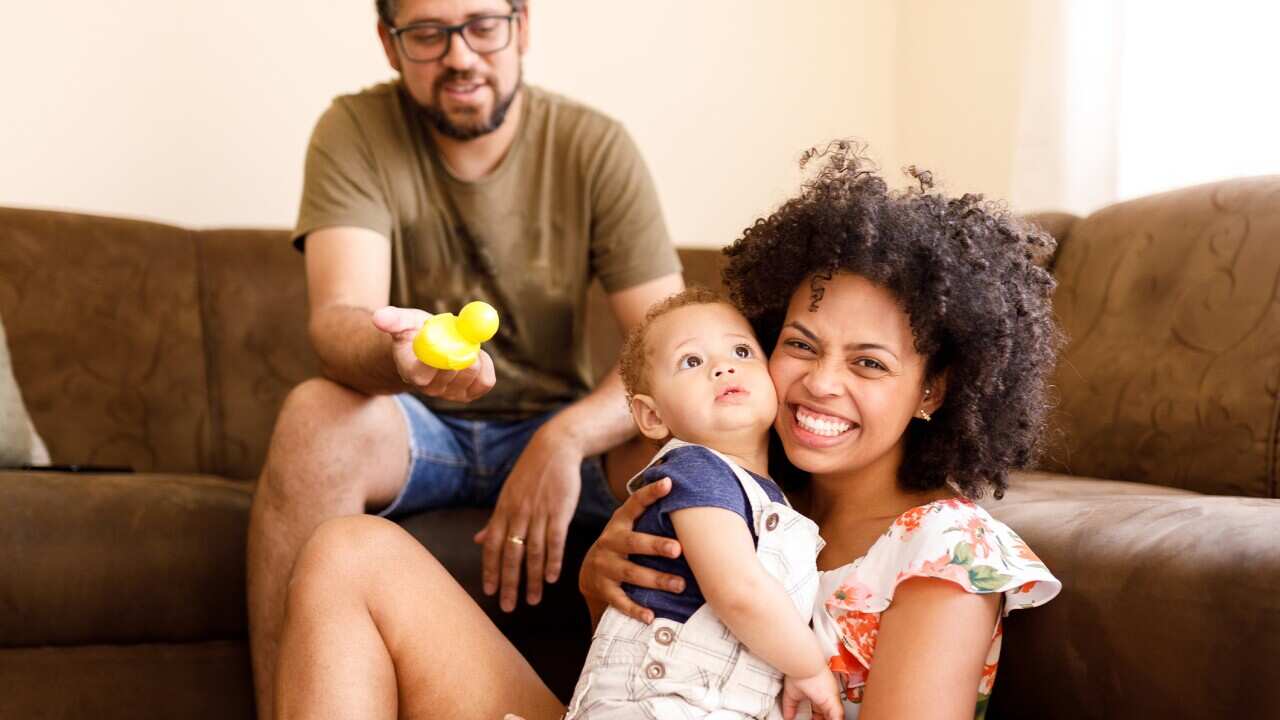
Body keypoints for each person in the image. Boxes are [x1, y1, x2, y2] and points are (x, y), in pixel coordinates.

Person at [271, 143, 1062, 720]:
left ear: (934, 388)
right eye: (798, 344)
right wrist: (599, 591)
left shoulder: (944, 554)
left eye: (870, 364)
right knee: (349, 554)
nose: (822, 383)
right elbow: (638, 676)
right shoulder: (734, 485)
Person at [245, 0, 683, 717]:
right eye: (427, 32)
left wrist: (565, 437)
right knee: (313, 416)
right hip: (421, 420)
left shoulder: (594, 144)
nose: (460, 55)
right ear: (389, 45)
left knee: (684, 429)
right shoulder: (352, 130)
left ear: (524, 27)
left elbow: (667, 340)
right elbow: (336, 320)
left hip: (559, 420)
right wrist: (404, 354)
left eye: (482, 24)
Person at [563, 287, 841, 719]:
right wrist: (809, 666)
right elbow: (739, 591)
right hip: (654, 704)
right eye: (692, 361)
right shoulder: (695, 469)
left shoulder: (773, 498)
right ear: (653, 416)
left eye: (742, 351)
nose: (724, 366)